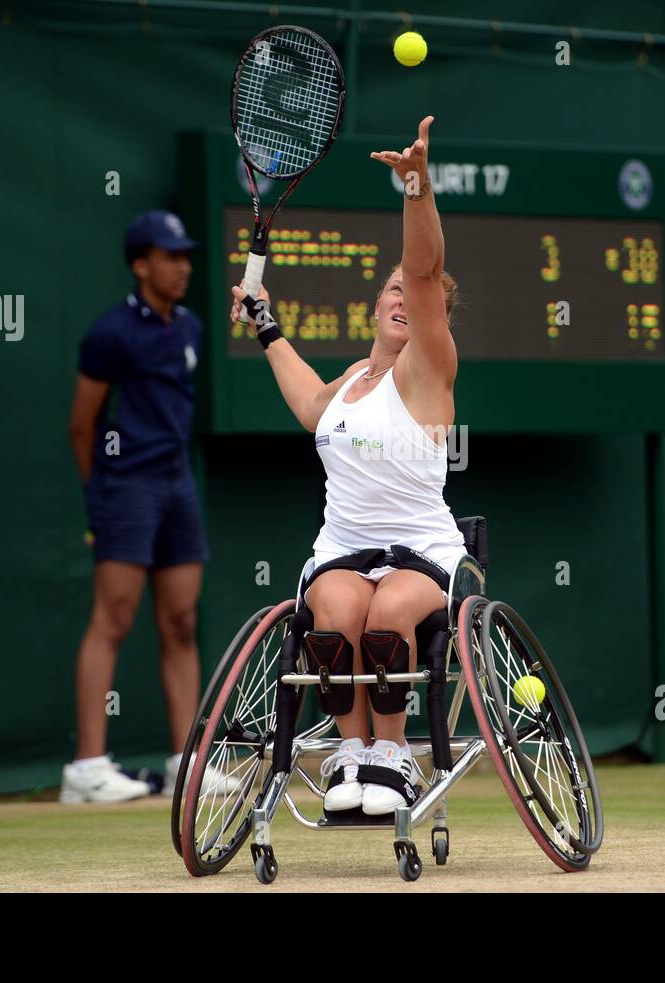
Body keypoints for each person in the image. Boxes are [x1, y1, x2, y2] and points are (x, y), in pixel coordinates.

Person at [230, 116, 465, 817]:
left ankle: (394, 754)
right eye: (390, 289)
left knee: (390, 613)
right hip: (341, 550)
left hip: (420, 553)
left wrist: (415, 184)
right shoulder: (357, 377)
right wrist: (267, 324)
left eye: (414, 295)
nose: (402, 295)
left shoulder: (429, 368)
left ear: (432, 317)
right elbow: (308, 405)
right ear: (374, 304)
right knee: (332, 616)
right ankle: (355, 754)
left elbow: (422, 266)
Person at [62, 210, 234, 803]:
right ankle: (86, 769)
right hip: (126, 487)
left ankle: (187, 760)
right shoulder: (110, 333)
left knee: (182, 623)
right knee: (113, 618)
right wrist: (102, 495)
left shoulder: (190, 328)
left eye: (187, 255)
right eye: (170, 256)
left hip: (177, 484)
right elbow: (82, 427)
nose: (183, 266)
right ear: (141, 265)